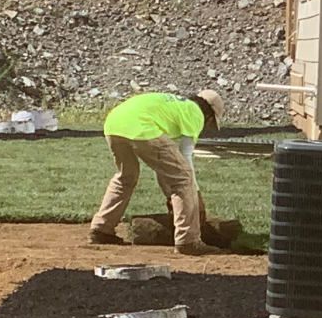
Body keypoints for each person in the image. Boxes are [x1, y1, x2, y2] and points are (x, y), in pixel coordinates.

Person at [90, 88, 227, 255]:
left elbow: (163, 167)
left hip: (114, 124)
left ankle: (101, 229)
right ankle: (188, 241)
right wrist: (195, 195)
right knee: (184, 178)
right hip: (143, 127)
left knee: (126, 177)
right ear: (209, 115)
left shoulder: (177, 106)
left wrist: (170, 194)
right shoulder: (195, 113)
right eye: (211, 123)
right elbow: (185, 159)